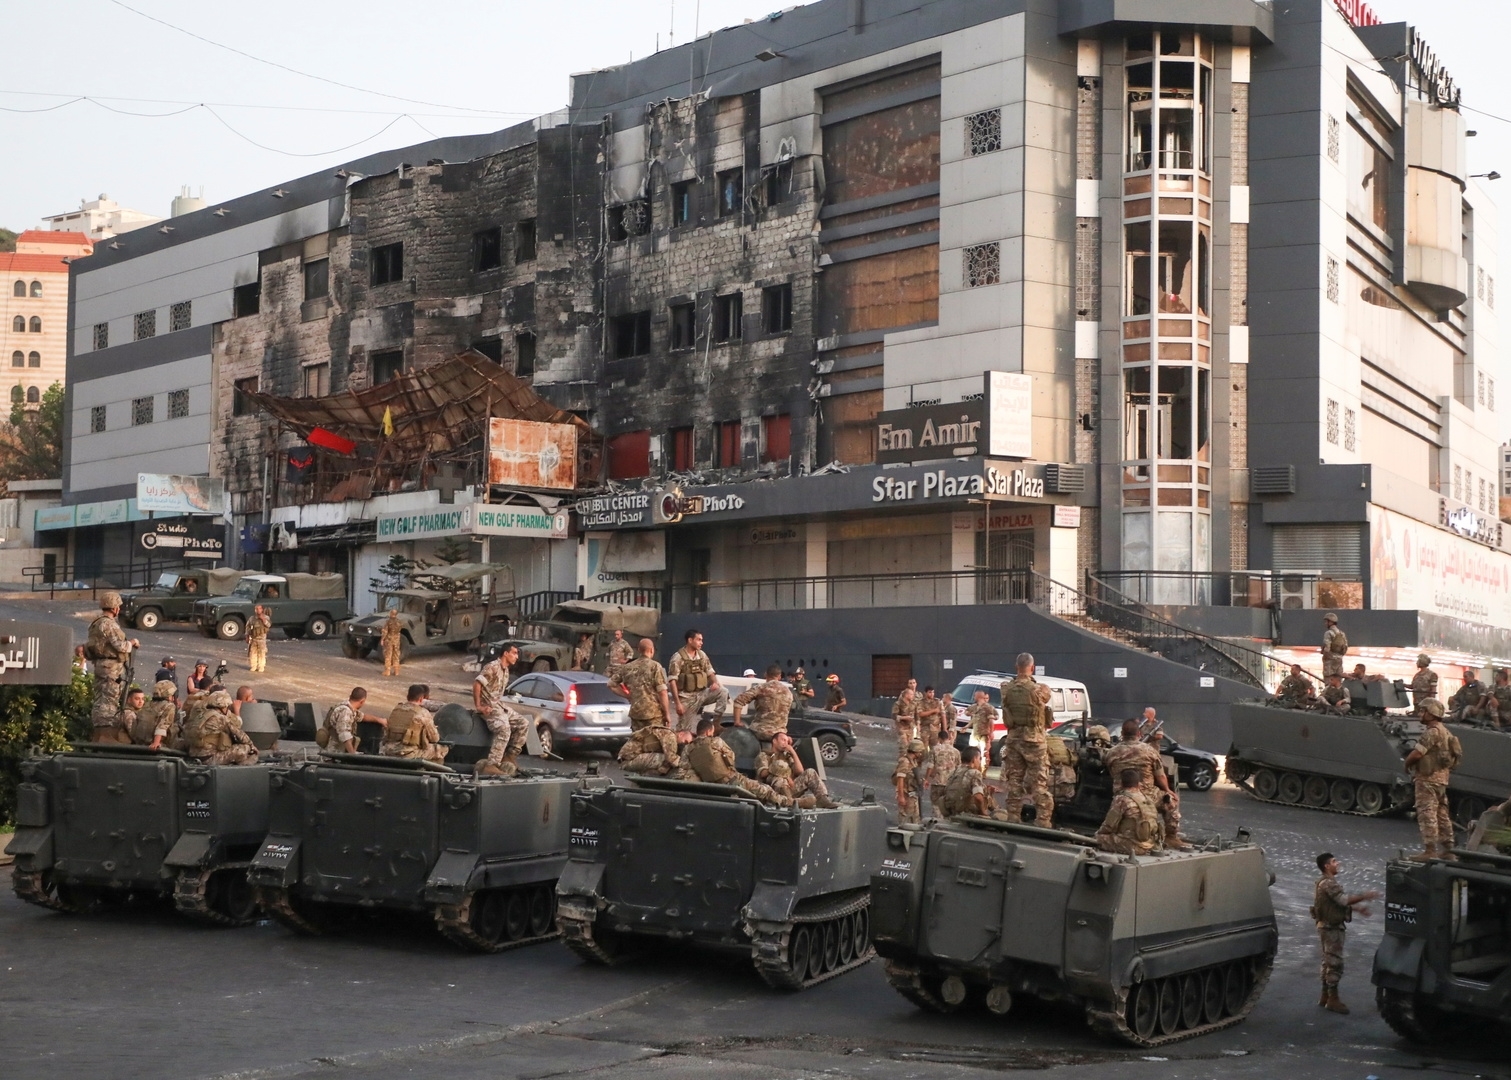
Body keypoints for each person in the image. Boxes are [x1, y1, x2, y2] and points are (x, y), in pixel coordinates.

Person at [1312, 852, 1381, 1015]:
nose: (1338, 863)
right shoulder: (1329, 883)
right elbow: (1343, 900)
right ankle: (1332, 999)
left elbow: (1334, 904)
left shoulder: (1323, 883)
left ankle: (1325, 996)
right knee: (1335, 963)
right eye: (1334, 861)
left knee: (1327, 961)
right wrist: (1365, 896)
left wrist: (1357, 909)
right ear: (1326, 866)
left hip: (1327, 926)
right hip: (1331, 928)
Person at [1104, 718, 1186, 849]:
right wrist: (1168, 790)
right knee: (1171, 801)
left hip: (1122, 795)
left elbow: (1111, 771)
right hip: (1147, 795)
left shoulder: (1111, 752)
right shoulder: (1149, 751)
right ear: (1139, 734)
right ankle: (1171, 837)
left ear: (1122, 734)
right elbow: (1160, 776)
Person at [999, 653, 1054, 827]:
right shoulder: (1040, 689)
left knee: (1014, 780)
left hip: (1013, 739)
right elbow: (1045, 698)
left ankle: (1013, 816)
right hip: (1034, 741)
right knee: (1039, 782)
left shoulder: (1006, 688)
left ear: (1016, 667)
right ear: (1033, 667)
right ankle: (1043, 820)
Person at [686, 717, 793, 806]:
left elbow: (684, 766)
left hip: (709, 784)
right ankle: (790, 803)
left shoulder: (688, 748)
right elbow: (731, 757)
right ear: (709, 731)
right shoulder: (716, 741)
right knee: (765, 790)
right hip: (730, 780)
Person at [1403, 699, 1460, 860]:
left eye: (1423, 711)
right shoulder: (1445, 731)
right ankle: (1449, 849)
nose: (1420, 714)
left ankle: (1430, 850)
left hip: (1427, 779)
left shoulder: (1432, 732)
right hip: (1441, 779)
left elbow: (1418, 753)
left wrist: (1407, 764)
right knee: (1442, 813)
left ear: (1432, 713)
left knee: (1426, 812)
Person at [86, 592, 140, 743]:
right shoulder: (109, 624)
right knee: (110, 698)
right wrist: (132, 643)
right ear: (115, 608)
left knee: (100, 697)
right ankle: (106, 730)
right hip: (111, 667)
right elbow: (120, 646)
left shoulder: (95, 624)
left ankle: (100, 726)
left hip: (100, 664)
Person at [474, 644, 527, 776]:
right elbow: (477, 684)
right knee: (504, 729)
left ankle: (509, 756)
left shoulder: (506, 670)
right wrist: (479, 706)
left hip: (498, 705)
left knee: (523, 723)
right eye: (514, 653)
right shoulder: (492, 667)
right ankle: (492, 764)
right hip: (489, 706)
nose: (516, 656)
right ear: (505, 653)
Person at [756, 730, 838, 807]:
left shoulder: (786, 757)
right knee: (779, 778)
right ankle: (792, 802)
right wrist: (781, 772)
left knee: (810, 772)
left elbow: (800, 771)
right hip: (773, 791)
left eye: (787, 742)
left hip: (790, 788)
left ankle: (822, 799)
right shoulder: (765, 755)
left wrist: (793, 753)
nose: (785, 743)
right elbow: (763, 774)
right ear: (774, 741)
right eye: (783, 740)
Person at [667, 630, 729, 730]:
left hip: (702, 694)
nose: (701, 642)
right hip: (687, 697)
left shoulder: (702, 655)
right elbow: (672, 681)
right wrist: (678, 703)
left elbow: (710, 672)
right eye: (699, 640)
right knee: (683, 730)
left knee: (723, 691)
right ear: (690, 640)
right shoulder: (678, 658)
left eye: (702, 640)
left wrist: (715, 683)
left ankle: (716, 724)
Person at [1096, 769, 1163, 856]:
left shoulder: (1121, 798)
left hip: (1133, 846)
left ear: (1122, 784)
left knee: (1096, 839)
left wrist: (1099, 833)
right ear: (1138, 784)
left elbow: (1109, 825)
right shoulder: (1148, 799)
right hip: (1150, 844)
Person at [186, 689, 259, 765]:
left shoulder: (200, 715)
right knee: (244, 748)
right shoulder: (220, 718)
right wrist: (252, 746)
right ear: (223, 706)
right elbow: (240, 735)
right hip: (209, 758)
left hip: (193, 755)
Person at [382, 683, 448, 763]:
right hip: (409, 753)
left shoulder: (396, 709)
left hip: (389, 750)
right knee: (442, 750)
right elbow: (435, 738)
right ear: (421, 699)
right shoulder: (423, 713)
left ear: (407, 697)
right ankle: (432, 773)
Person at [936, 746, 1005, 820]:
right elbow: (978, 797)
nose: (979, 762)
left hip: (952, 811)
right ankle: (999, 812)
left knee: (985, 789)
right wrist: (983, 813)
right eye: (979, 759)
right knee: (1001, 815)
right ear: (974, 759)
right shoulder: (974, 773)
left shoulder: (954, 772)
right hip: (967, 812)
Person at [731, 663, 794, 744]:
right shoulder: (788, 692)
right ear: (779, 676)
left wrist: (737, 722)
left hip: (759, 732)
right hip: (779, 735)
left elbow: (738, 701)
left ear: (765, 674)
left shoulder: (761, 688)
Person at [619, 638, 671, 731]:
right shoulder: (655, 666)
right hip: (654, 715)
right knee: (653, 741)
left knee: (638, 741)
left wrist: (628, 695)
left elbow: (611, 684)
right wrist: (667, 714)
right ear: (652, 650)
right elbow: (662, 692)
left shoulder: (628, 667)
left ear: (638, 650)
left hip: (636, 713)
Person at [321, 687, 382, 755]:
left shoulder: (346, 707)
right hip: (334, 753)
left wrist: (380, 720)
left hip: (335, 752)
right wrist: (352, 754)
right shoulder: (346, 712)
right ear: (362, 701)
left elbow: (362, 717)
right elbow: (344, 735)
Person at [618, 724, 693, 778]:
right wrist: (689, 766)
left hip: (629, 757)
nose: (684, 744)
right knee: (666, 759)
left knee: (666, 761)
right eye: (685, 741)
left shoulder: (667, 733)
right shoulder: (670, 735)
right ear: (681, 734)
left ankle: (649, 777)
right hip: (628, 759)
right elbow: (671, 758)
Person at [132, 679, 181, 749]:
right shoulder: (169, 706)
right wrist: (156, 743)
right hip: (159, 744)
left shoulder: (147, 705)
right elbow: (163, 725)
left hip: (141, 743)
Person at [893, 739, 927, 824]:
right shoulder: (905, 761)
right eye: (920, 752)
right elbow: (900, 780)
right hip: (906, 794)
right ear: (916, 751)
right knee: (905, 821)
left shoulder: (913, 761)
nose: (921, 754)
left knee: (915, 820)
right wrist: (901, 797)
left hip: (912, 794)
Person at [926, 729, 961, 810]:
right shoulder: (956, 751)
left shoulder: (935, 749)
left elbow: (930, 765)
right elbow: (959, 768)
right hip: (950, 783)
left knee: (936, 805)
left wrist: (926, 779)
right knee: (947, 806)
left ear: (939, 738)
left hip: (938, 782)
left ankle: (937, 821)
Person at [891, 678, 919, 750]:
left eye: (914, 683)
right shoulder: (898, 704)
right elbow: (894, 715)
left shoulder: (913, 703)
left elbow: (916, 715)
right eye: (911, 695)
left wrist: (918, 724)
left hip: (911, 727)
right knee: (904, 747)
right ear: (906, 695)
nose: (913, 696)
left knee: (911, 747)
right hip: (902, 728)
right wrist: (904, 718)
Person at [1320, 613, 1348, 678]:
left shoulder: (1328, 633)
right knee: (1338, 679)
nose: (1325, 623)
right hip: (1339, 661)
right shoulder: (1342, 634)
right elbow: (1345, 648)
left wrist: (1325, 655)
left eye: (1326, 621)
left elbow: (1327, 648)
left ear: (1330, 622)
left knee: (1329, 681)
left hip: (1330, 662)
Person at [247, 604, 272, 674]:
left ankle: (261, 666)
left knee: (262, 653)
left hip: (262, 639)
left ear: (262, 609)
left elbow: (269, 625)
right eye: (256, 609)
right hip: (254, 639)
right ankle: (253, 666)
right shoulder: (252, 618)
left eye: (259, 609)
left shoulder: (266, 617)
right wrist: (247, 636)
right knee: (253, 653)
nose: (258, 610)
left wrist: (263, 619)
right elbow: (248, 627)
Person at [380, 608, 404, 678]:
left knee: (388, 655)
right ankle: (396, 671)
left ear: (391, 613)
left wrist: (382, 639)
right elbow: (399, 630)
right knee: (396, 655)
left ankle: (387, 671)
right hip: (396, 640)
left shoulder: (388, 622)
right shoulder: (399, 622)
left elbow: (385, 631)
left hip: (389, 640)